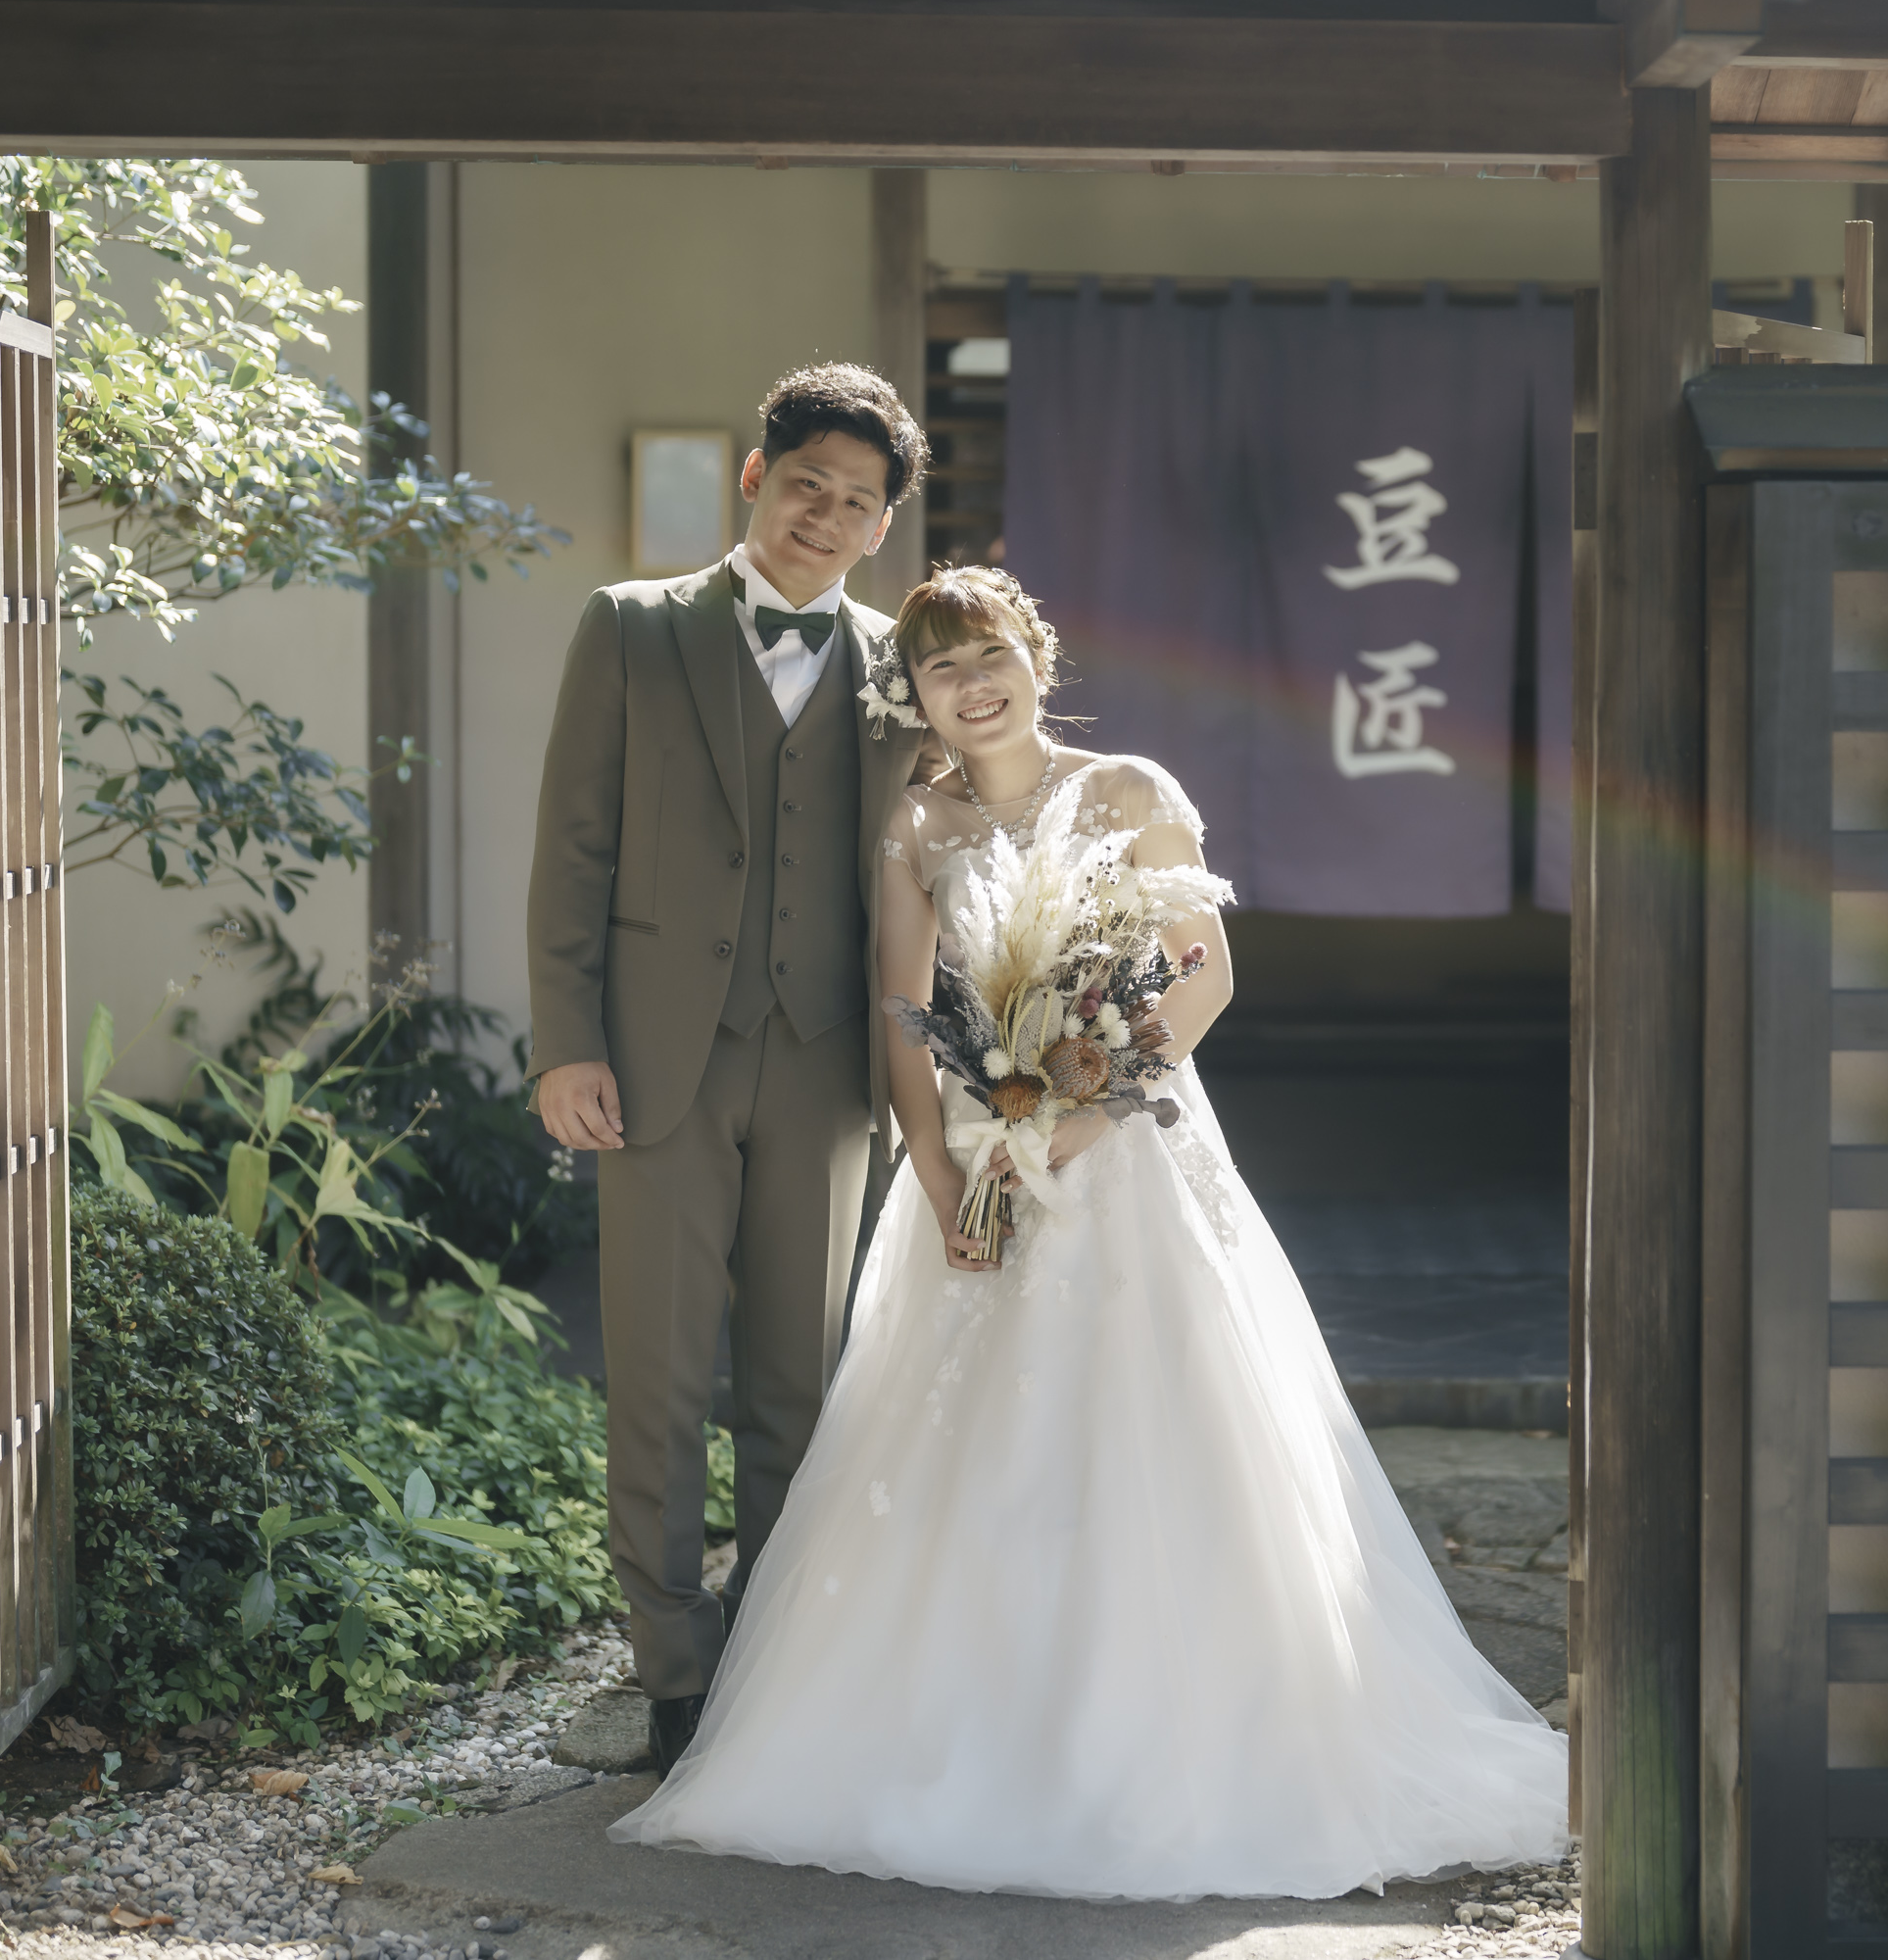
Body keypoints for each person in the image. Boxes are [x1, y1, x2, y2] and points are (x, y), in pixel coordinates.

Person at [607, 566, 1569, 1900]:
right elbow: (901, 1013)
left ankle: (1195, 1728)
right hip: (976, 1158)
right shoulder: (916, 821)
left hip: (1130, 1160)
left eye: (990, 655)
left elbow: (1204, 976)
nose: (972, 685)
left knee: (1161, 1421)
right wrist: (939, 1175)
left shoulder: (1129, 790)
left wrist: (1083, 1117)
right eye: (941, 668)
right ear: (918, 695)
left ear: (1036, 659)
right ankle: (974, 1725)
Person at [525, 365, 933, 1777]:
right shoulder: (631, 628)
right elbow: (573, 848)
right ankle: (673, 1675)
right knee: (655, 1375)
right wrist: (566, 1043)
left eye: (858, 502)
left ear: (882, 527)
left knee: (798, 1384)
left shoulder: (903, 664)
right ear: (757, 479)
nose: (828, 515)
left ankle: (775, 1661)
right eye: (808, 484)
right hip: (656, 1059)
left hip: (829, 1065)